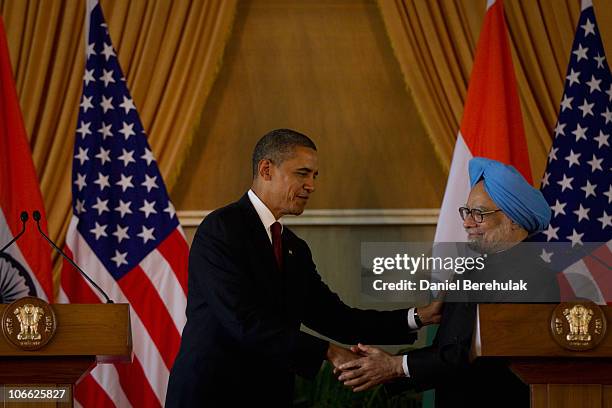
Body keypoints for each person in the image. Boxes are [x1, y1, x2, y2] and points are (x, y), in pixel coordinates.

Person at [165, 129, 442, 407]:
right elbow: (243, 321)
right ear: (266, 169)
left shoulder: (293, 247)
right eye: (302, 173)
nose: (311, 185)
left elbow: (336, 317)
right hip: (213, 394)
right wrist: (328, 351)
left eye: (314, 176)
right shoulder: (221, 229)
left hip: (269, 394)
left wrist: (417, 316)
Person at [337, 157, 559, 408]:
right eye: (467, 212)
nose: (466, 223)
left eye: (479, 214)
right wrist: (387, 367)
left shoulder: (533, 276)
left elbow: (477, 357)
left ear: (514, 220)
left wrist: (395, 366)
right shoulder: (471, 270)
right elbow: (448, 348)